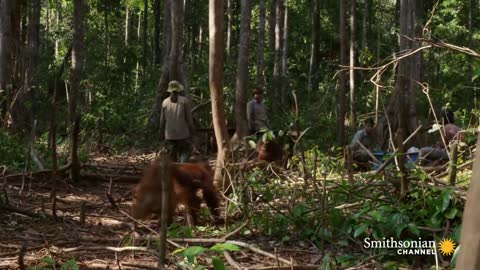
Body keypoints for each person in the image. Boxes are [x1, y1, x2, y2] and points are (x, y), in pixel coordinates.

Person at [160, 81, 195, 163]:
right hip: (182, 134)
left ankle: (173, 173)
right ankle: (183, 168)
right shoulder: (184, 101)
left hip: (169, 135)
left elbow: (162, 121)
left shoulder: (164, 102)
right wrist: (192, 131)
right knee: (185, 152)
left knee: (171, 158)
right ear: (179, 90)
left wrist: (161, 133)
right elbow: (189, 119)